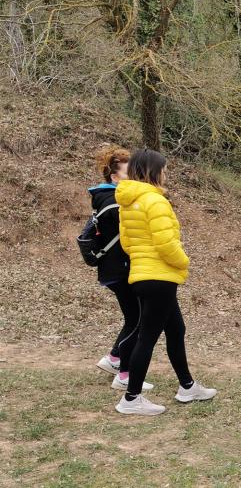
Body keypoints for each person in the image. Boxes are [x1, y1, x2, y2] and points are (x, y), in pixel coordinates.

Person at [114, 149, 216, 415]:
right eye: (164, 169)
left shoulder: (127, 203)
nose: (166, 174)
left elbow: (126, 243)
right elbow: (166, 243)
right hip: (160, 275)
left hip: (141, 274)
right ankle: (132, 398)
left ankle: (187, 386)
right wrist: (184, 261)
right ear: (152, 171)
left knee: (176, 329)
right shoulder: (155, 201)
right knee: (147, 337)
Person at [90, 146, 154, 392]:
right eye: (129, 174)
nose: (135, 179)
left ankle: (114, 359)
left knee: (132, 317)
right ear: (114, 177)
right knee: (137, 320)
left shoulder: (105, 197)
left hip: (114, 269)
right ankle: (125, 373)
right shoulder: (116, 202)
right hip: (121, 269)